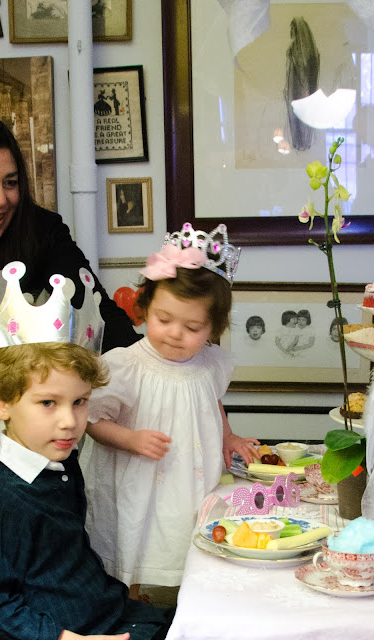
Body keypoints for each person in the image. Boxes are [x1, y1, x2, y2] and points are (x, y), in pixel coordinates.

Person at [79, 226, 260, 597]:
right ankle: (133, 600)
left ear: (213, 327)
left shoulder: (209, 363)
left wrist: (227, 435)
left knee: (184, 537)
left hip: (190, 477)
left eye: (192, 327)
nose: (175, 333)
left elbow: (212, 400)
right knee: (136, 540)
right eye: (164, 320)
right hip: (137, 479)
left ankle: (184, 598)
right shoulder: (126, 365)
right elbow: (92, 419)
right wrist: (129, 438)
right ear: (145, 309)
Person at [0, 341, 174, 640]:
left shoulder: (62, 462)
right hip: (74, 632)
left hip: (108, 611)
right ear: (0, 403)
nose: (70, 422)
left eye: (80, 401)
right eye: (48, 403)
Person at [0, 111, 140, 354]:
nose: (0, 199)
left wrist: (144, 362)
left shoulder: (42, 229)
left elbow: (99, 312)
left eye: (10, 183)